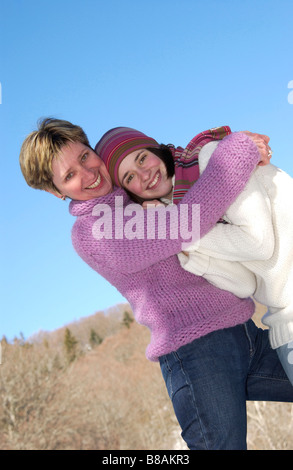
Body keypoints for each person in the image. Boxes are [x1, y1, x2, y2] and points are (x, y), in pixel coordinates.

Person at [19, 118, 293, 450]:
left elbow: (178, 170)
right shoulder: (94, 231)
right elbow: (187, 222)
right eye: (70, 176)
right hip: (198, 355)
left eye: (84, 158)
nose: (88, 174)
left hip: (245, 335)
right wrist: (234, 151)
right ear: (55, 191)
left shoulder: (133, 192)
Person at [98, 126, 293, 386]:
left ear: (156, 148)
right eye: (130, 177)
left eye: (142, 158)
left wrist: (178, 229)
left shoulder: (213, 158)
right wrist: (181, 242)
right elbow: (243, 283)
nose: (144, 175)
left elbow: (258, 244)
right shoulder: (184, 214)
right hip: (284, 322)